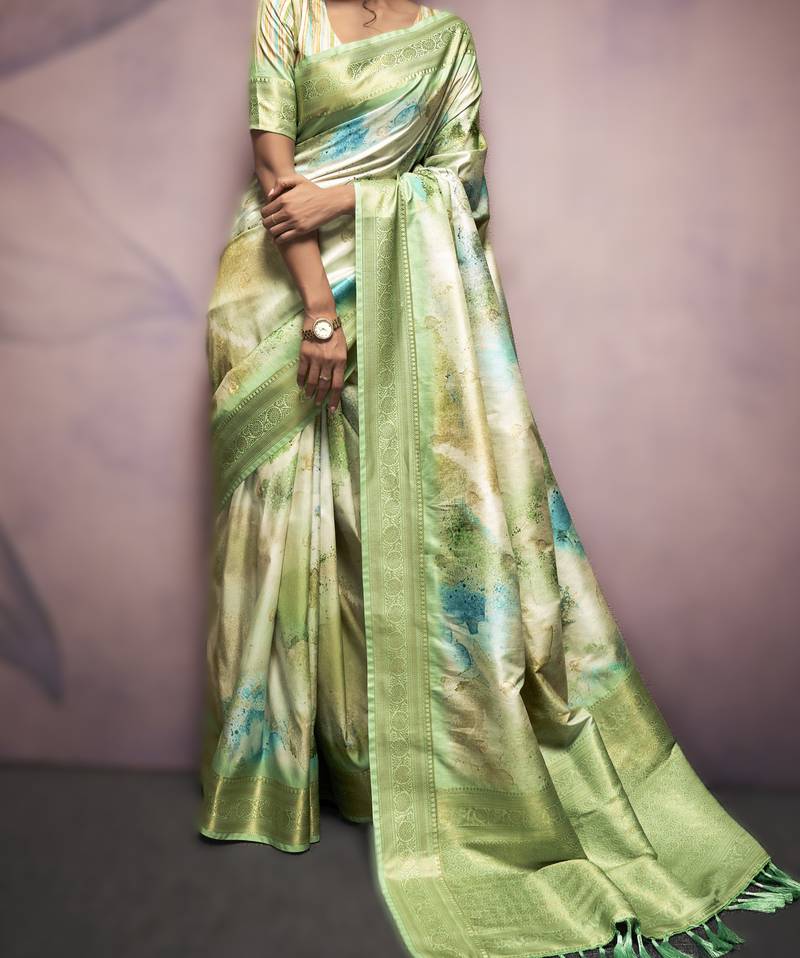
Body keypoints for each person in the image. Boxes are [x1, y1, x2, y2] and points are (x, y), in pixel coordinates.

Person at [196, 1, 800, 955]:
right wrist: (319, 313)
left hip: (403, 298)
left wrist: (351, 200)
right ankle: (286, 777)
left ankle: (397, 776)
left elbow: (461, 182)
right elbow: (277, 177)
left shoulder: (444, 37)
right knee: (294, 529)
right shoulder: (288, 11)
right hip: (280, 295)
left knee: (397, 528)